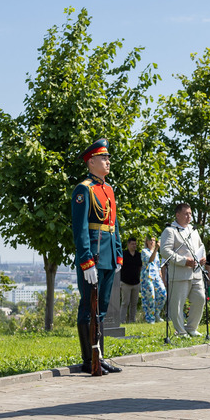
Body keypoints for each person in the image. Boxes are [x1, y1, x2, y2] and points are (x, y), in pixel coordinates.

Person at [71, 138, 123, 374]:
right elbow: (80, 228)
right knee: (87, 307)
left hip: (109, 256)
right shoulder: (84, 189)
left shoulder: (108, 189)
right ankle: (87, 358)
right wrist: (85, 260)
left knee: (101, 308)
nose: (108, 161)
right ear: (91, 162)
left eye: (108, 157)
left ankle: (99, 357)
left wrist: (118, 255)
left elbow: (115, 226)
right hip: (92, 257)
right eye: (103, 158)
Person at [160, 203, 207, 337]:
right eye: (186, 214)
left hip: (196, 273)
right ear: (178, 215)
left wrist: (203, 258)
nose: (189, 217)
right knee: (177, 304)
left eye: (190, 214)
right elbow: (165, 251)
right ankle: (180, 332)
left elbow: (201, 246)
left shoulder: (193, 230)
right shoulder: (170, 230)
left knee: (200, 299)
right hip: (179, 274)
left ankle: (191, 328)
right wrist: (184, 261)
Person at [139, 236, 166, 324]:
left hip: (156, 277)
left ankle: (156, 313)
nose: (152, 242)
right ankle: (150, 318)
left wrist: (161, 277)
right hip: (147, 277)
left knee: (163, 294)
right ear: (147, 241)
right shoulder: (144, 251)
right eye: (150, 240)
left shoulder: (157, 253)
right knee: (151, 297)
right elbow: (150, 260)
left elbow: (158, 266)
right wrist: (156, 249)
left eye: (154, 240)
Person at [119, 237, 142, 323]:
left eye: (135, 244)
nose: (134, 246)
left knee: (134, 303)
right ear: (128, 244)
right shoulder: (123, 254)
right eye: (132, 244)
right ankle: (122, 320)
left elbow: (140, 267)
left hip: (136, 282)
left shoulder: (138, 255)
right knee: (125, 302)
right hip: (125, 282)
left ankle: (132, 320)